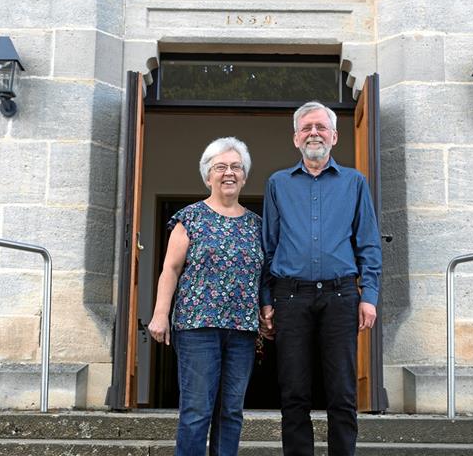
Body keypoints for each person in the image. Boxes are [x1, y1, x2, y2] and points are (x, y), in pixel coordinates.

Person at [259, 101, 382, 456]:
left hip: (341, 296)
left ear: (335, 136)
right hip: (290, 297)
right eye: (307, 127)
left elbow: (369, 242)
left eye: (321, 127)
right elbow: (269, 247)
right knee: (293, 391)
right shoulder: (278, 184)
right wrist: (266, 299)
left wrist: (369, 295)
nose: (314, 133)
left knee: (342, 392)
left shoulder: (355, 182)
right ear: (296, 138)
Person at [148, 137, 263, 456]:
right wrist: (160, 314)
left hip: (242, 331)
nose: (229, 172)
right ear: (208, 175)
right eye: (221, 167)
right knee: (197, 412)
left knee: (231, 412)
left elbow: (265, 275)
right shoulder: (191, 218)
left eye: (236, 167)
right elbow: (170, 269)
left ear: (244, 175)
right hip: (197, 328)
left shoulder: (257, 225)